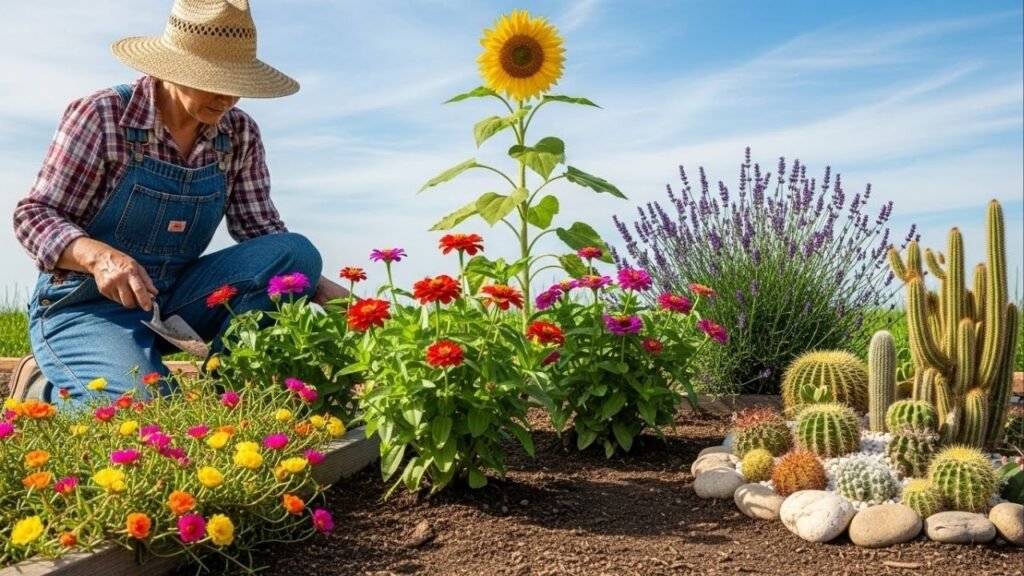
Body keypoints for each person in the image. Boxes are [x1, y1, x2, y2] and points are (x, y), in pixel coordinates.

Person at [10, 0, 347, 404]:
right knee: (149, 410)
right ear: (172, 68)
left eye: (237, 82)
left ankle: (238, 394)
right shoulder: (103, 115)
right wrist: (100, 258)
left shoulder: (237, 135)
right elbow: (33, 215)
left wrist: (317, 282)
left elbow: (262, 232)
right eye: (214, 80)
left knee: (296, 252)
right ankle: (46, 389)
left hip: (176, 298)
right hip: (85, 303)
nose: (228, 98)